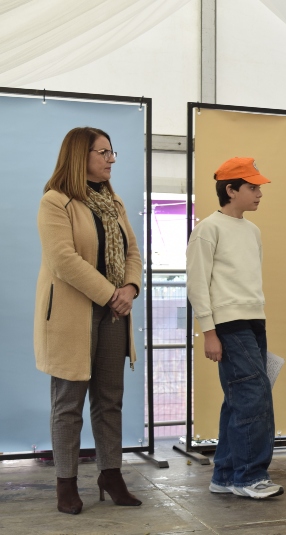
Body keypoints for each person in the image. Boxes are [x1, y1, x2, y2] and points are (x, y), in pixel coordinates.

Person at [35, 127, 143, 514]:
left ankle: (110, 474)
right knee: (68, 403)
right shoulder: (56, 201)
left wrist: (129, 287)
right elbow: (63, 260)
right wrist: (110, 294)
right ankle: (66, 483)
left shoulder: (114, 202)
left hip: (114, 313)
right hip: (72, 315)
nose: (111, 159)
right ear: (81, 156)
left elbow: (132, 249)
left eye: (112, 152)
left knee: (110, 399)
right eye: (103, 152)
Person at [186, 156, 283, 499]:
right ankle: (249, 476)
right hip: (228, 325)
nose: (259, 193)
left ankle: (225, 475)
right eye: (252, 187)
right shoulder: (207, 229)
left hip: (254, 320)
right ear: (231, 190)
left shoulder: (252, 230)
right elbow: (197, 285)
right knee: (253, 399)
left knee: (240, 399)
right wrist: (208, 332)